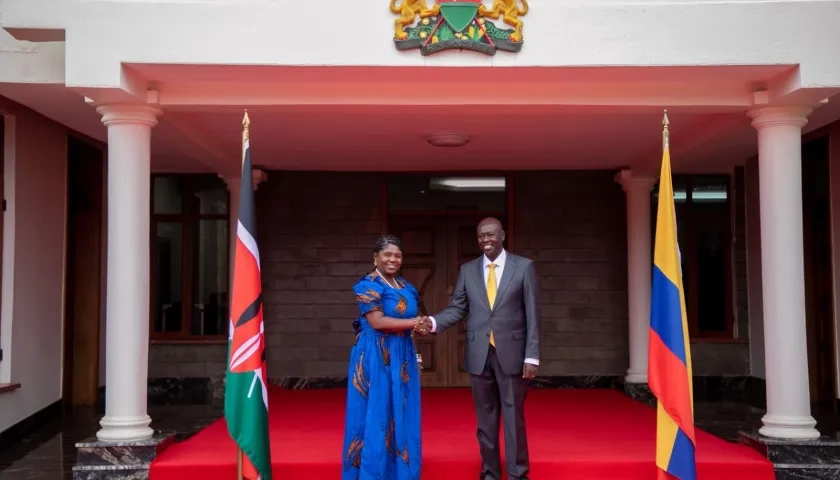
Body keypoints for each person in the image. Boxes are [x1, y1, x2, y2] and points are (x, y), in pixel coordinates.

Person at [422, 217, 541, 480]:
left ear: (502, 236)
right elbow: (458, 308)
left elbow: (533, 314)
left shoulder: (523, 267)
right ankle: (489, 473)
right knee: (485, 422)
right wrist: (432, 322)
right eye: (481, 236)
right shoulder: (468, 270)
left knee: (513, 419)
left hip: (513, 354)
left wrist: (532, 356)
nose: (486, 240)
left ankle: (517, 474)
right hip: (479, 355)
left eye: (491, 235)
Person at [342, 235, 429, 480]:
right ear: (376, 257)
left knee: (400, 408)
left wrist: (418, 347)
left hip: (403, 354)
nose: (393, 259)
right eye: (387, 254)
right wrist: (414, 322)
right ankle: (373, 472)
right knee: (377, 411)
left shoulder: (407, 287)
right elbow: (377, 322)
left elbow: (409, 325)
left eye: (398, 255)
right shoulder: (367, 285)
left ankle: (400, 470)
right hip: (374, 355)